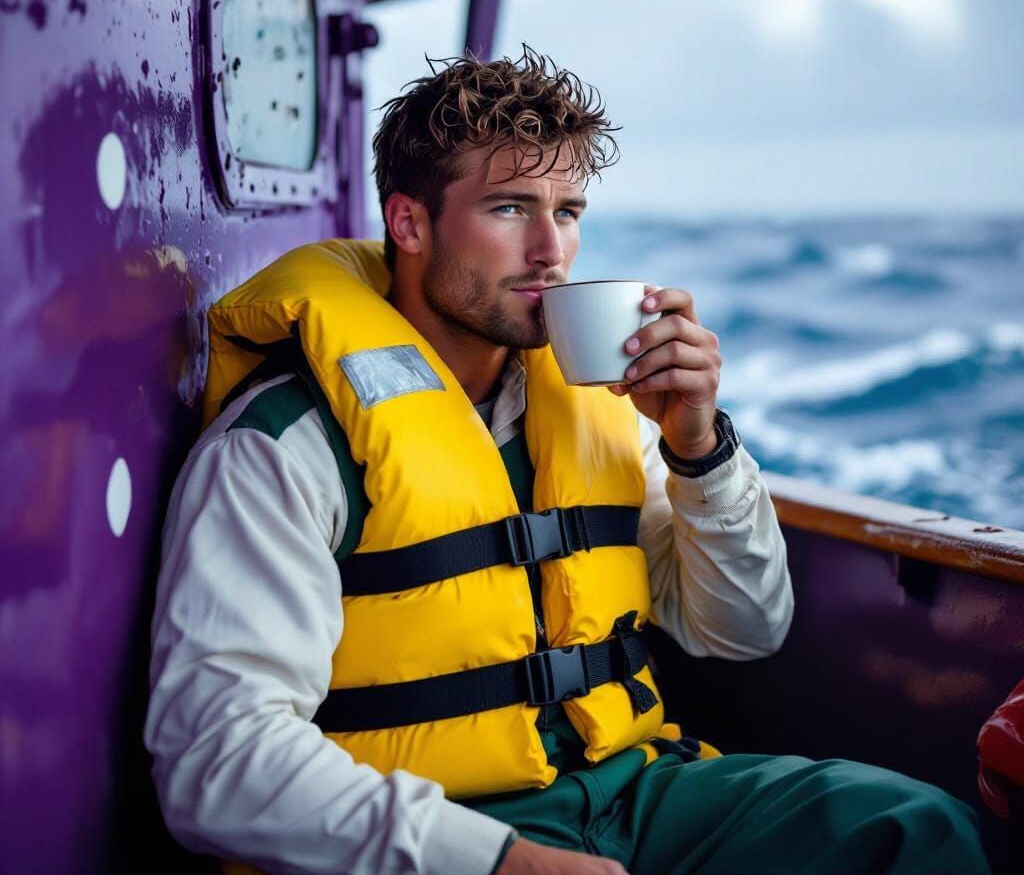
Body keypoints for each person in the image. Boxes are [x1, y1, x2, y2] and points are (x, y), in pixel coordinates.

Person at [145, 48, 990, 874]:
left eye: (571, 211)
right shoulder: (286, 444)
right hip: (434, 827)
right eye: (511, 209)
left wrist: (698, 443)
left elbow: (742, 629)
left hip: (637, 794)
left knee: (912, 828)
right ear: (409, 223)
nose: (551, 251)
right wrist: (503, 861)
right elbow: (215, 762)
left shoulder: (603, 411)